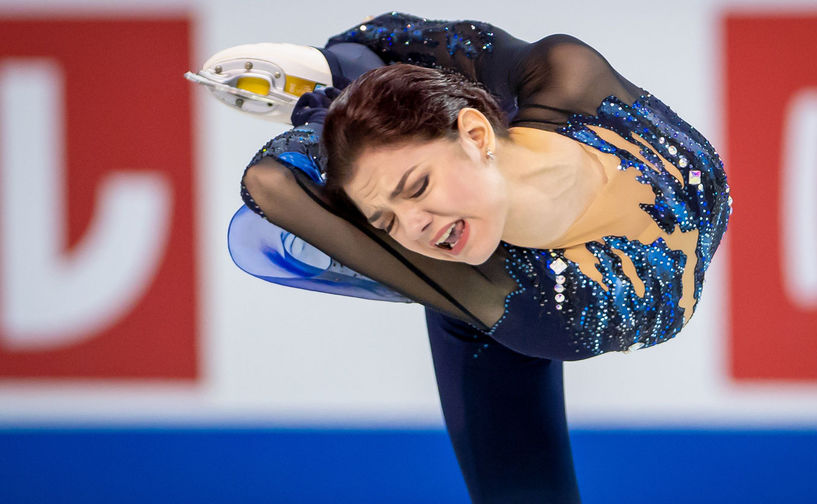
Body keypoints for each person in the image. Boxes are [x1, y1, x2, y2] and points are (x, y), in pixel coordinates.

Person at [190, 12, 731, 503]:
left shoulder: (568, 74)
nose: (414, 227)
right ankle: (350, 95)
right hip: (487, 292)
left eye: (417, 187)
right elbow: (270, 188)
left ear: (475, 133)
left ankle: (348, 79)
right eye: (387, 222)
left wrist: (330, 91)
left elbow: (419, 38)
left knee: (414, 57)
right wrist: (337, 128)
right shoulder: (517, 293)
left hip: (516, 269)